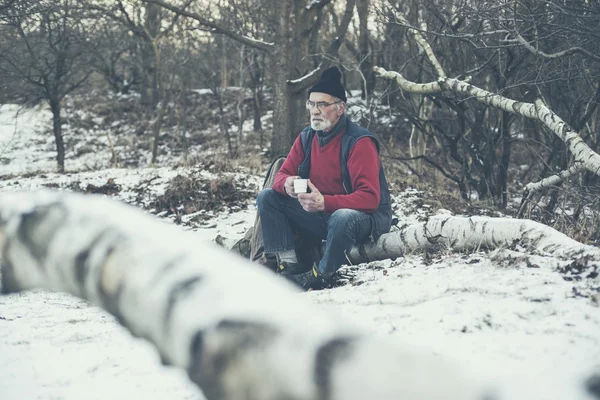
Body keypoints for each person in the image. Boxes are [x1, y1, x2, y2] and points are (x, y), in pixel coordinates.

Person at [256, 66, 392, 290]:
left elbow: (370, 199)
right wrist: (287, 184)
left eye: (322, 104)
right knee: (268, 196)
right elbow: (281, 175)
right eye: (311, 104)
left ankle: (322, 274)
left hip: (362, 220)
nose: (315, 111)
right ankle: (289, 266)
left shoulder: (359, 142)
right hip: (320, 214)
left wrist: (325, 202)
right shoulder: (307, 137)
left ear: (340, 108)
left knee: (341, 217)